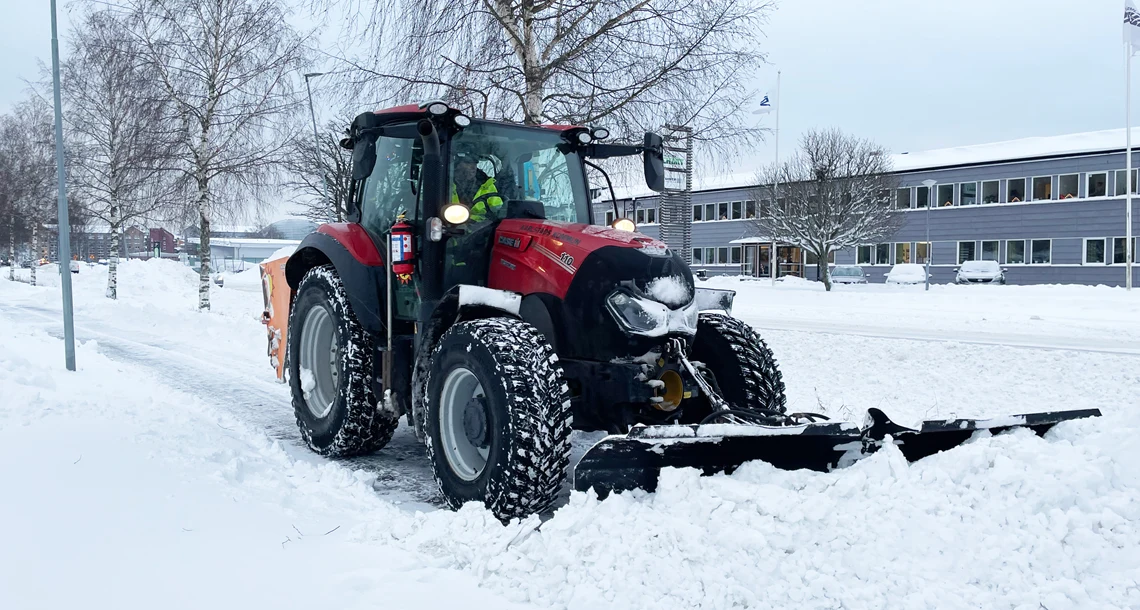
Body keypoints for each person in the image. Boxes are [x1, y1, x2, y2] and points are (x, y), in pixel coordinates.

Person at [451, 145, 503, 222]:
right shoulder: (444, 183)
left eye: (475, 163)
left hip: (480, 230)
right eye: (468, 163)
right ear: (457, 165)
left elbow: (498, 212)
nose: (473, 167)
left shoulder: (488, 185)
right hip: (448, 228)